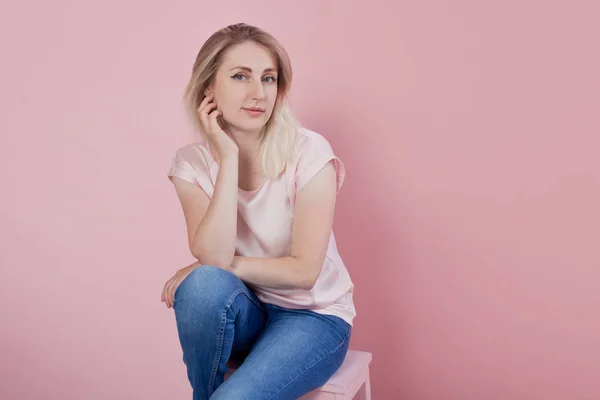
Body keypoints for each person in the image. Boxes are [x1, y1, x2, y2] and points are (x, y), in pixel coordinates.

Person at [161, 23, 356, 400]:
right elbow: (214, 258)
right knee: (203, 287)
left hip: (313, 318)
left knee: (204, 279)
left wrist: (211, 266)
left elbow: (304, 272)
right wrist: (228, 155)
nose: (258, 93)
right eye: (240, 77)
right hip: (244, 313)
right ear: (208, 89)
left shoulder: (309, 152)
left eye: (269, 78)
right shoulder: (191, 163)